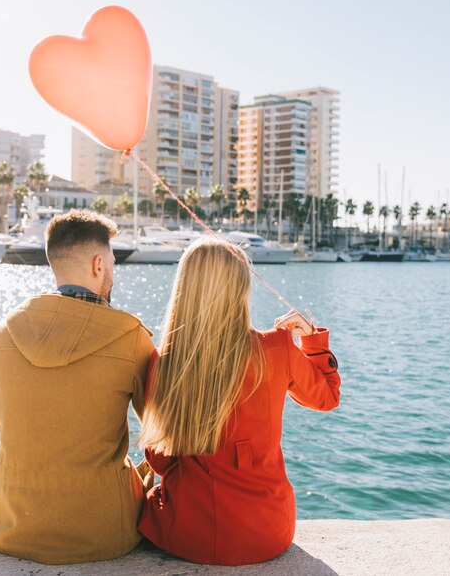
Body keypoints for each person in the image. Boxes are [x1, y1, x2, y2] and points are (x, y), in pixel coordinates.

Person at [138, 237, 341, 566]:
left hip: (188, 534)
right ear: (242, 289)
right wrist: (311, 340)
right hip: (269, 533)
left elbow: (159, 460)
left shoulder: (166, 361)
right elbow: (328, 397)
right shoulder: (277, 348)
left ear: (185, 290)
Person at [0, 209, 155, 564]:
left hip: (13, 527)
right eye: (113, 264)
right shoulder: (131, 337)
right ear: (99, 264)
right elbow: (162, 429)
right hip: (103, 533)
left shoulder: (3, 334)